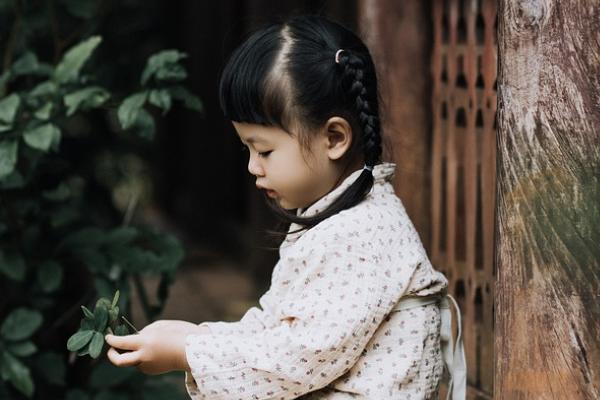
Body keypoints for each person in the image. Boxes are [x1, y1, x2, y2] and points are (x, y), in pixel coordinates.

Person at [105, 14, 466, 400]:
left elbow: (294, 361)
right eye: (247, 149)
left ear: (334, 137)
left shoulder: (359, 236)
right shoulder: (342, 216)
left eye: (265, 150)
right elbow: (281, 331)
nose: (252, 167)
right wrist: (196, 337)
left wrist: (189, 352)